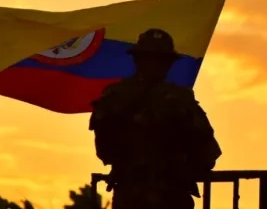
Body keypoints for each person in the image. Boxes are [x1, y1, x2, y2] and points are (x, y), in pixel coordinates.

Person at [89, 28, 222, 209]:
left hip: (141, 194)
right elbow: (207, 155)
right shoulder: (179, 99)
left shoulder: (115, 96)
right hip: (163, 194)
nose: (155, 65)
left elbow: (207, 152)